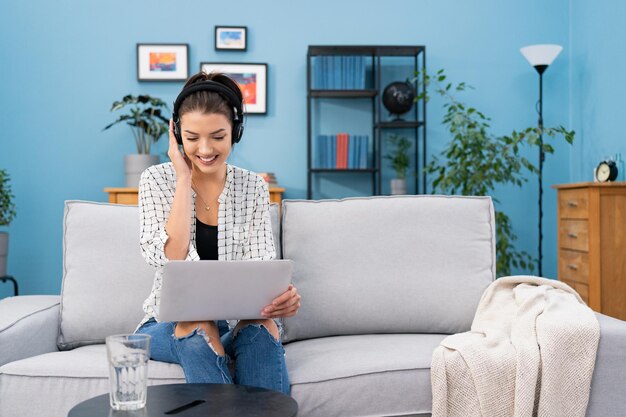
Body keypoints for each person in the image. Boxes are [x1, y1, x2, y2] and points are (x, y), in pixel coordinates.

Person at [134, 71, 301, 395]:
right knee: (199, 326)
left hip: (234, 323)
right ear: (177, 133)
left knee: (262, 330)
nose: (205, 148)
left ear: (235, 133)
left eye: (218, 136)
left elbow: (261, 270)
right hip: (167, 326)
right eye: (193, 137)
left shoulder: (252, 186)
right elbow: (171, 257)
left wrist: (282, 299)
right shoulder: (156, 180)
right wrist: (183, 179)